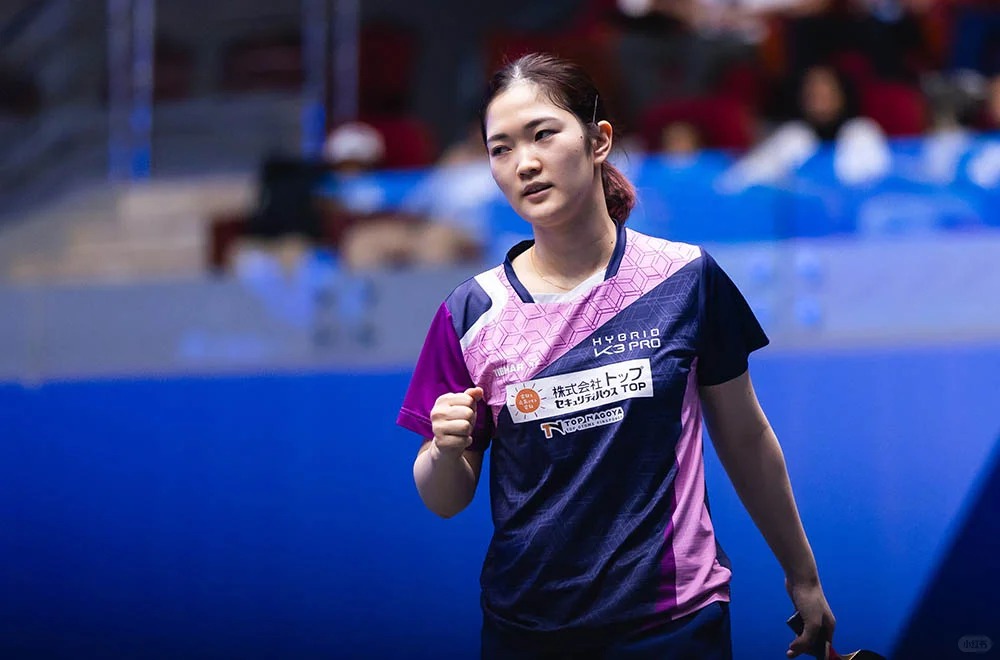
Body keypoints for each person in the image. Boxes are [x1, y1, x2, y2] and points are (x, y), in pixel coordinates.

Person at [396, 53, 835, 659]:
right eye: (500, 149)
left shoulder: (684, 278)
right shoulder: (470, 313)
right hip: (527, 631)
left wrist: (802, 575)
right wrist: (446, 450)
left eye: (543, 134)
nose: (524, 163)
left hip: (674, 621)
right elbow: (444, 498)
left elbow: (745, 436)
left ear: (598, 140)